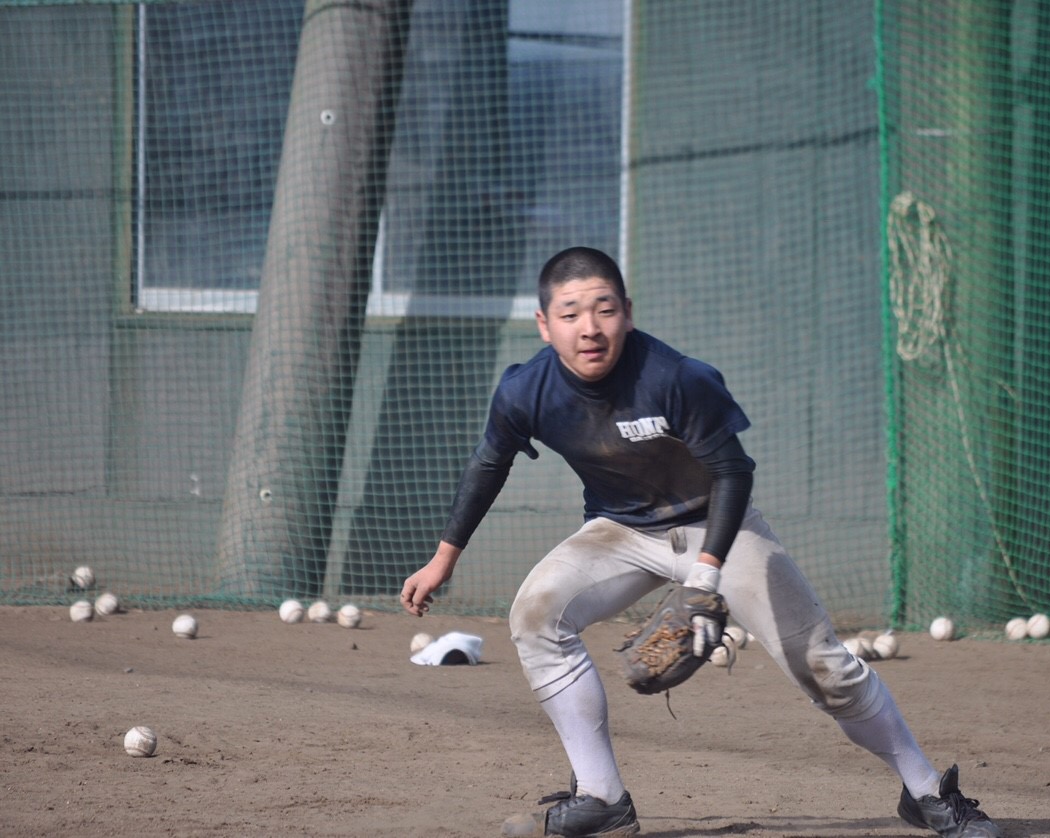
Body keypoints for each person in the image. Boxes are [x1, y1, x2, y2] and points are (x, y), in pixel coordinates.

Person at [400, 246, 1002, 838]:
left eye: (604, 309)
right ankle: (602, 798)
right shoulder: (524, 390)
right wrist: (443, 558)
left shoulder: (676, 379)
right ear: (544, 323)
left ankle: (926, 793)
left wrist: (705, 578)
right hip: (621, 530)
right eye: (571, 312)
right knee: (535, 616)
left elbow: (733, 474)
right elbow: (488, 463)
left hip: (719, 527)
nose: (589, 327)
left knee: (825, 669)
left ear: (627, 313)